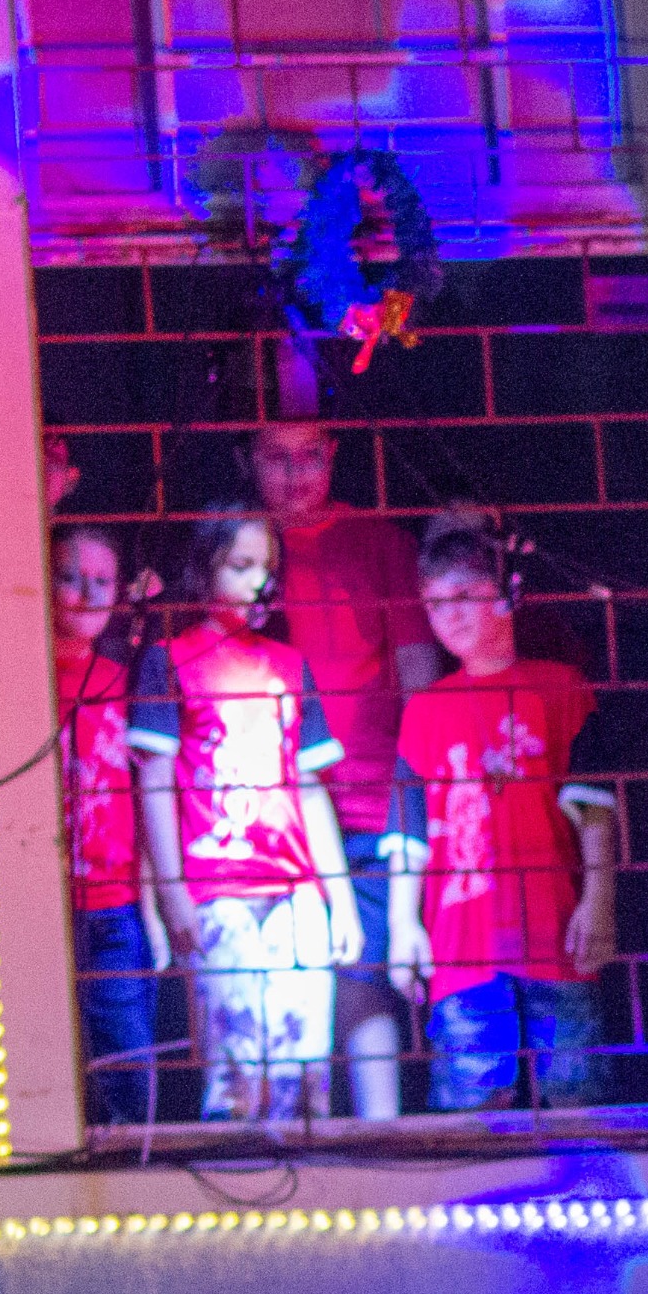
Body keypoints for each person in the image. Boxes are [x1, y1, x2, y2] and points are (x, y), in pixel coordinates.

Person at [128, 507, 360, 1123]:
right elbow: (155, 782)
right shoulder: (169, 660)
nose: (260, 581)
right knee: (235, 1070)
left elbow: (309, 788)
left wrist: (339, 898)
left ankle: (304, 1177)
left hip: (295, 890)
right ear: (205, 572)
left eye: (268, 568)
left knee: (302, 1067)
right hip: (217, 891)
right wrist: (173, 892)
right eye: (241, 566)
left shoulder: (289, 665)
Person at [248, 419, 446, 1117]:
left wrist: (414, 790)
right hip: (265, 813)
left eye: (310, 456)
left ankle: (378, 1136)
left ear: (333, 455)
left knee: (365, 975)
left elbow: (420, 683)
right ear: (249, 462)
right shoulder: (243, 551)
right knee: (283, 988)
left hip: (366, 797)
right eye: (276, 458)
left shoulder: (379, 543)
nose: (294, 474)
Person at [385, 521, 618, 1112]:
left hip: (554, 930)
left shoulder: (560, 689)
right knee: (474, 1107)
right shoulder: (424, 711)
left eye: (464, 596)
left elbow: (594, 810)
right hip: (462, 941)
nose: (450, 616)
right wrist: (402, 924)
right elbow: (407, 832)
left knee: (575, 1099)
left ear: (506, 594)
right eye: (435, 604)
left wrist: (599, 900)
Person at [52, 523, 164, 1124]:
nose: (87, 594)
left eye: (102, 581)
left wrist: (155, 908)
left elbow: (144, 802)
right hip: (48, 908)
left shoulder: (123, 684)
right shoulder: (27, 685)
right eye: (70, 578)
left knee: (130, 1073)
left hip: (115, 906)